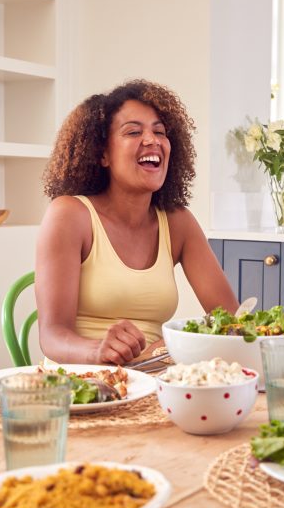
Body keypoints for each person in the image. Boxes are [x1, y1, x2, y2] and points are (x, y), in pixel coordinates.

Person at [36, 79, 237, 365]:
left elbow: (229, 317)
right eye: (133, 131)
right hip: (82, 383)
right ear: (102, 153)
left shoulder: (178, 222)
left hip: (154, 378)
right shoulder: (70, 214)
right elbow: (52, 335)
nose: (152, 140)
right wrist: (97, 350)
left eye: (160, 131)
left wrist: (178, 342)